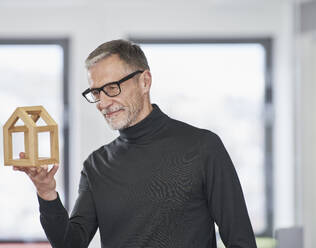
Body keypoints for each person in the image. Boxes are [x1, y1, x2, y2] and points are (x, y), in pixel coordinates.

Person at [13, 39, 257, 248]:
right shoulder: (96, 165)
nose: (103, 102)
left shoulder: (203, 147)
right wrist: (46, 194)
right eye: (96, 92)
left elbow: (241, 241)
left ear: (145, 82)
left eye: (111, 88)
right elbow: (71, 244)